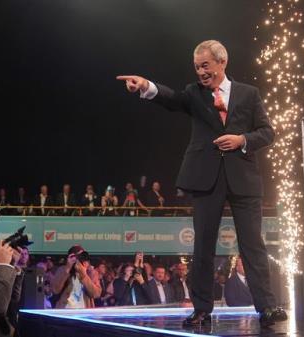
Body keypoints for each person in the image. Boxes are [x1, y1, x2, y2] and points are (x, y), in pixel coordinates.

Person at [117, 39, 285, 326]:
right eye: (197, 67)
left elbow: (267, 132)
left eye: (205, 65)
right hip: (206, 179)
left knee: (253, 245)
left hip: (243, 179)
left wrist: (242, 140)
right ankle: (202, 309)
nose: (201, 72)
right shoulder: (194, 94)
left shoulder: (249, 94)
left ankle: (267, 308)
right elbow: (172, 99)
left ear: (222, 62)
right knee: (203, 246)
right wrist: (146, 85)